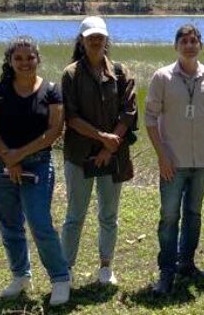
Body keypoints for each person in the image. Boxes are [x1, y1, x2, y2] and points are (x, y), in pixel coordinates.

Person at [145, 24, 204, 295]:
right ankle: (167, 271)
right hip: (174, 162)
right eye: (183, 41)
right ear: (176, 46)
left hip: (203, 160)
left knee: (193, 214)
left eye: (194, 40)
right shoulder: (162, 77)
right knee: (170, 217)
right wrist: (162, 157)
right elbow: (149, 119)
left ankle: (187, 263)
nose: (189, 45)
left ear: (200, 46)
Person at [0, 36, 71, 306]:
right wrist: (8, 159)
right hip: (0, 165)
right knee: (10, 225)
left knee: (40, 224)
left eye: (30, 57)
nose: (24, 63)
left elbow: (55, 130)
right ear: (10, 61)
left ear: (38, 59)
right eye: (18, 58)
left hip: (38, 163)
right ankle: (21, 276)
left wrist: (19, 155)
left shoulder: (52, 90)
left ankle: (60, 279)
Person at [61, 16, 138, 287]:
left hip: (113, 155)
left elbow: (129, 113)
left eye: (100, 36)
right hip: (79, 156)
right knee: (75, 215)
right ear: (81, 41)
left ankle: (106, 267)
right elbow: (70, 117)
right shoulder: (71, 74)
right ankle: (65, 270)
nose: (95, 40)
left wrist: (110, 144)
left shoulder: (120, 72)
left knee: (108, 215)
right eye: (90, 36)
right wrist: (102, 138)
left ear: (106, 40)